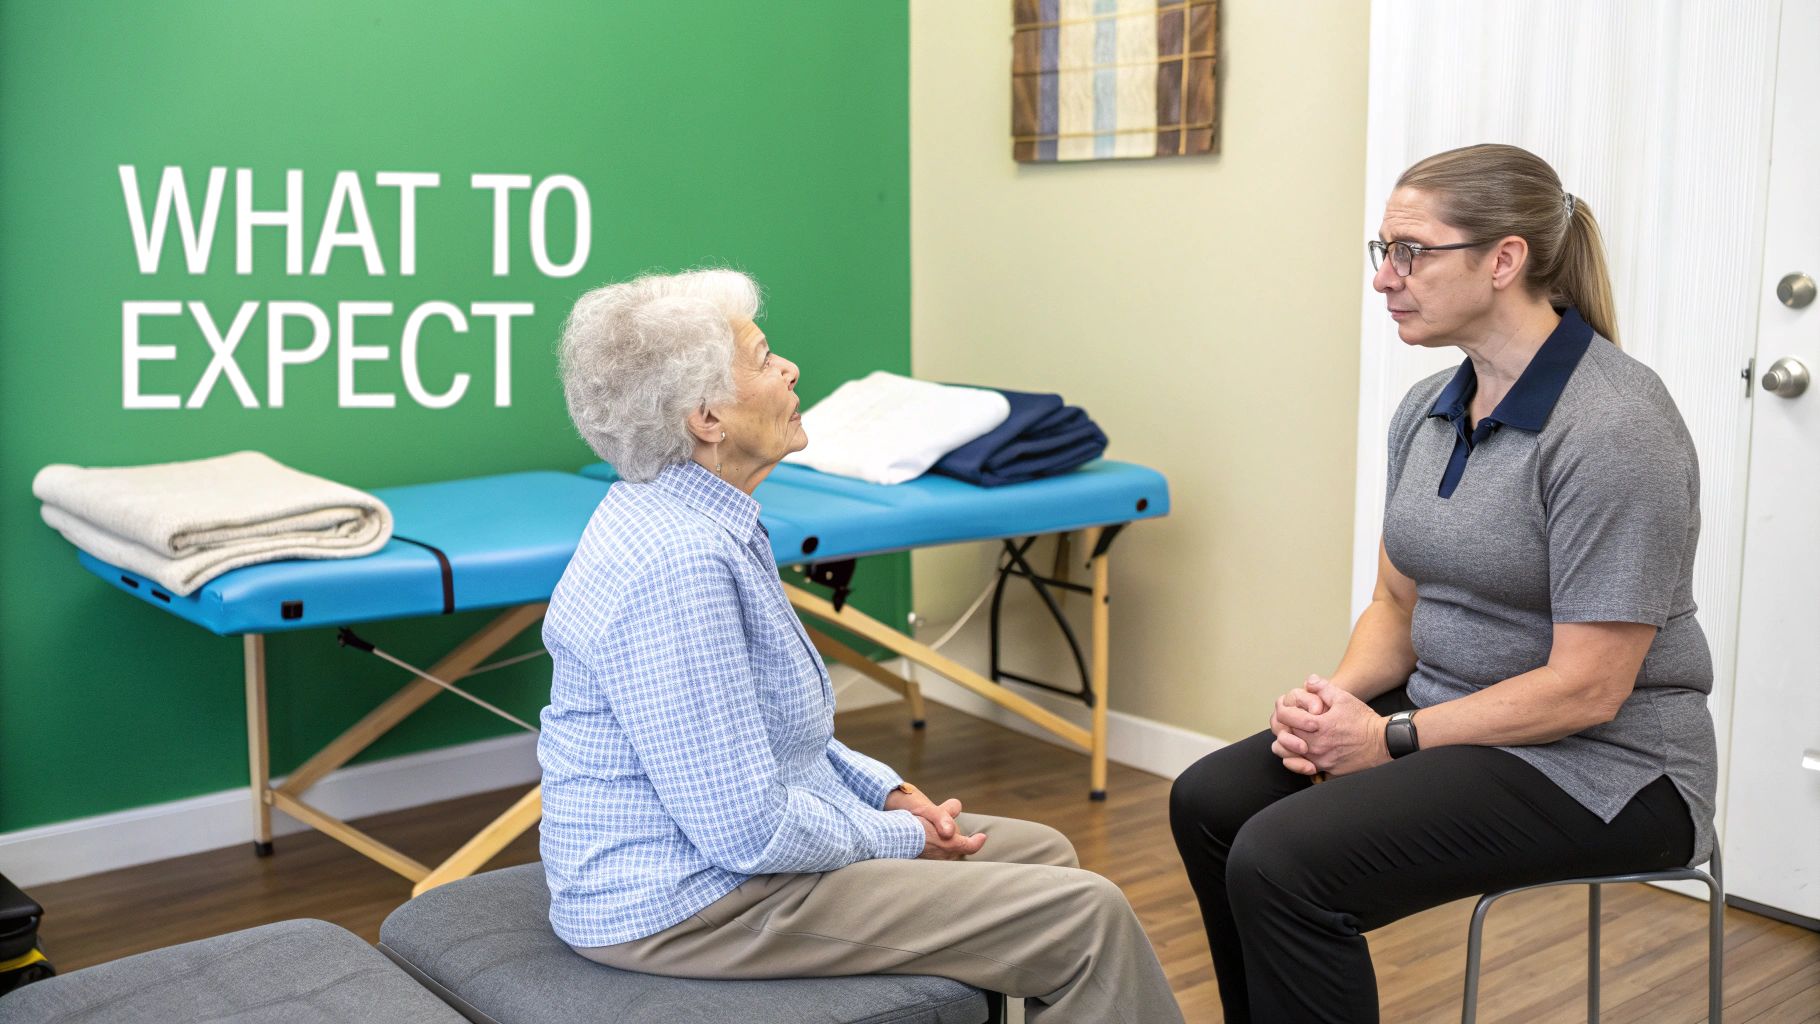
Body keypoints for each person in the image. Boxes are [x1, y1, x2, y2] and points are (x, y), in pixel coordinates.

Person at [539, 269, 1183, 1024]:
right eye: (765, 356)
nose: (789, 369)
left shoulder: (708, 518)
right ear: (707, 417)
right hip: (687, 903)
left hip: (723, 866)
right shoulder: (678, 561)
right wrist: (900, 838)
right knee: (1085, 916)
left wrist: (887, 793)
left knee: (1038, 853)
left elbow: (782, 741)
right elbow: (747, 830)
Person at [1169, 143, 1717, 1024]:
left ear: (1505, 260)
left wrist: (1391, 738)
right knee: (1211, 803)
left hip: (1606, 767)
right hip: (1443, 721)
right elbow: (1397, 604)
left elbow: (1591, 686)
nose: (1386, 277)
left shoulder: (1614, 423)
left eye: (1411, 251)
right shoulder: (1428, 407)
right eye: (1381, 250)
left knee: (1283, 858)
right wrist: (1331, 704)